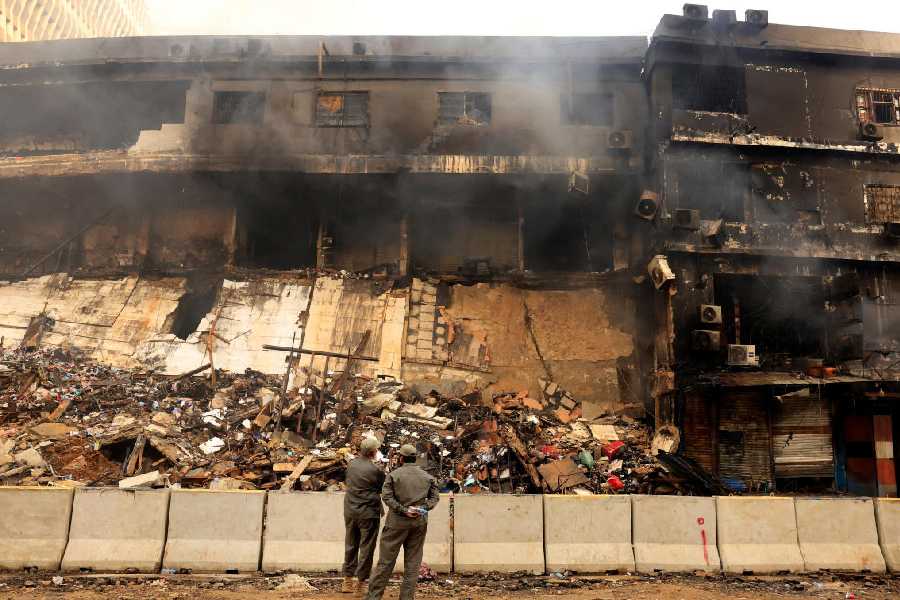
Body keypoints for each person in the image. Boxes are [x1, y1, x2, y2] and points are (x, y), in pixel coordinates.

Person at [365, 444, 440, 600]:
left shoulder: (393, 475)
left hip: (396, 525)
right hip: (418, 524)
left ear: (401, 458)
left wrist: (403, 510)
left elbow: (386, 497)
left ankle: (373, 597)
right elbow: (434, 498)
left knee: (385, 563)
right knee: (413, 564)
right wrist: (422, 509)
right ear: (415, 458)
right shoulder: (427, 476)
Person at [341, 436, 386, 594]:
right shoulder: (376, 470)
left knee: (351, 544)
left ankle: (347, 580)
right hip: (368, 513)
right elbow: (383, 488)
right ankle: (361, 583)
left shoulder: (351, 465)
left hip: (351, 510)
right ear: (373, 452)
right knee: (366, 547)